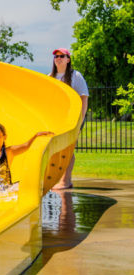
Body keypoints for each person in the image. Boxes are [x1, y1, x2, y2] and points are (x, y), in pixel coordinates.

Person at [49, 47, 89, 189]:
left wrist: (80, 120)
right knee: (59, 149)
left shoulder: (75, 76)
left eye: (62, 56)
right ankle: (59, 179)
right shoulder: (51, 77)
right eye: (56, 56)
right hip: (58, 119)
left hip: (74, 118)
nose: (58, 58)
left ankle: (66, 180)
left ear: (68, 59)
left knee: (68, 148)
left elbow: (84, 98)